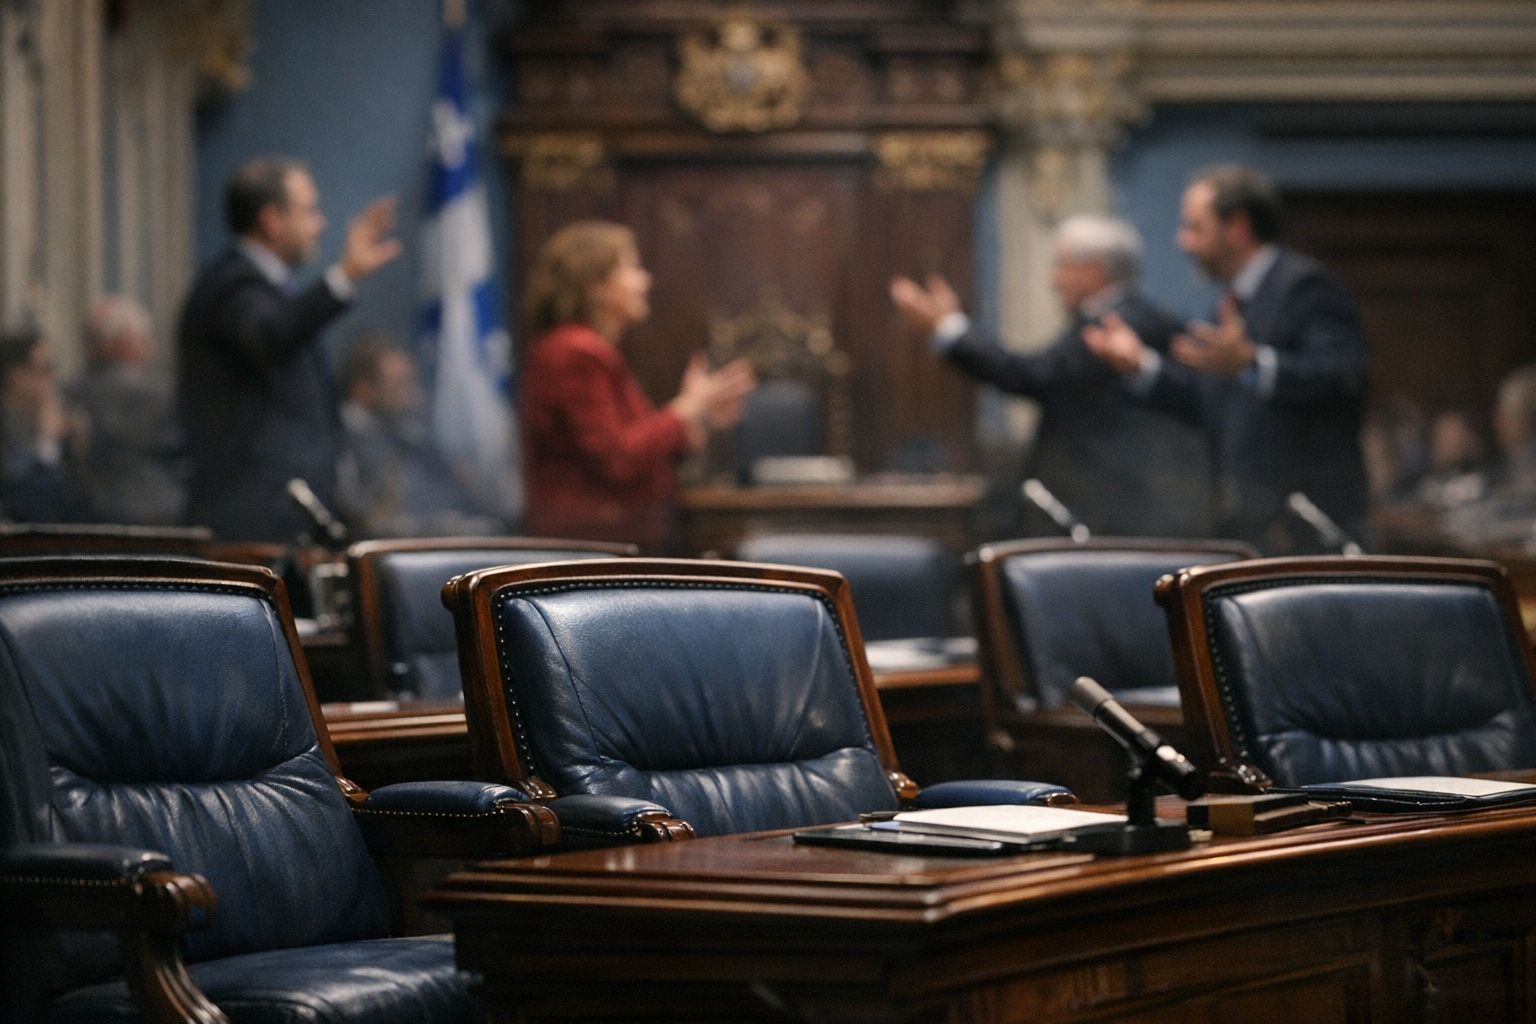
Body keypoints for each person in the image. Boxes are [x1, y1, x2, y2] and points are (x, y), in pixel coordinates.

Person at [1083, 164, 1370, 553]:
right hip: (1246, 522)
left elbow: (1342, 374)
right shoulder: (1228, 303)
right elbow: (1207, 399)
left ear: (1237, 227)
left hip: (1308, 524)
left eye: (1194, 227)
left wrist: (1254, 364)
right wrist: (1141, 367)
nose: (1183, 242)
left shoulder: (1305, 286)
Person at [890, 214, 1210, 537]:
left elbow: (1028, 375)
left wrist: (949, 328)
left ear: (1094, 269)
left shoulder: (1114, 324)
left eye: (1062, 265)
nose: (1054, 280)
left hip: (1112, 513)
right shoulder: (1140, 316)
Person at [177, 156, 400, 543]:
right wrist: (345, 274)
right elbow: (270, 337)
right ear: (272, 219)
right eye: (308, 210)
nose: (320, 224)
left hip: (286, 513)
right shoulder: (233, 285)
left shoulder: (268, 287)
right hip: (254, 520)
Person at [519, 220, 756, 550]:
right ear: (595, 285)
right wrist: (686, 408)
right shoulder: (577, 353)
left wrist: (697, 418)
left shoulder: (585, 349)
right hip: (592, 550)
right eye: (632, 267)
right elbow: (619, 461)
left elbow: (639, 451)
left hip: (608, 543)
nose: (646, 280)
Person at [335, 330, 507, 538]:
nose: (416, 396)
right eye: (400, 384)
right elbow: (370, 520)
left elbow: (455, 497)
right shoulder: (341, 446)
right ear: (361, 388)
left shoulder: (413, 437)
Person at [66, 295, 186, 524]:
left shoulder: (72, 393)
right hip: (164, 512)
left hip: (91, 514)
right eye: (144, 339)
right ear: (123, 342)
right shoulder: (166, 393)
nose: (150, 347)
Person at [0, 327, 89, 523]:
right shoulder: (8, 432)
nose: (53, 378)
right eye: (46, 368)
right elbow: (26, 503)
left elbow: (80, 502)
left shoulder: (57, 424)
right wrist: (46, 444)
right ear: (16, 376)